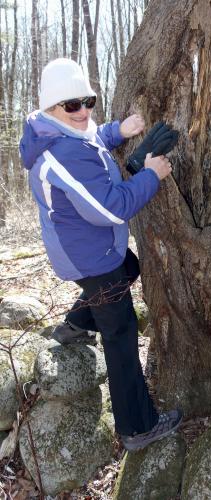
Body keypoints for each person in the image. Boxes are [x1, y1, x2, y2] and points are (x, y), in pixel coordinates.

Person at [19, 58, 182, 451]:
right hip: (89, 258)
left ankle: (75, 323)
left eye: (88, 101)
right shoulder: (61, 152)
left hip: (90, 252)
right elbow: (111, 208)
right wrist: (150, 174)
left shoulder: (58, 131)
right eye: (72, 105)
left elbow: (90, 138)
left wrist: (116, 131)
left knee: (130, 264)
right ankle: (137, 427)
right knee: (121, 333)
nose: (84, 112)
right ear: (51, 108)